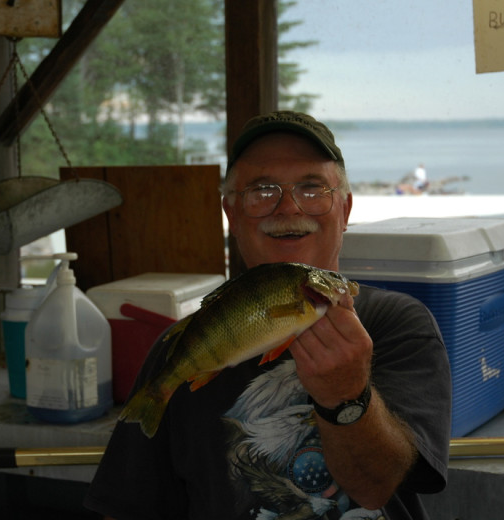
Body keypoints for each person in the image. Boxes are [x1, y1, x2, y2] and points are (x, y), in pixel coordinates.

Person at [84, 111, 451, 519]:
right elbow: (127, 507)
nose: (288, 206)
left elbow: (376, 487)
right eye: (262, 191)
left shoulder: (398, 325)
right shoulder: (178, 349)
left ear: (344, 211)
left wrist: (347, 396)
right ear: (232, 216)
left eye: (312, 189)